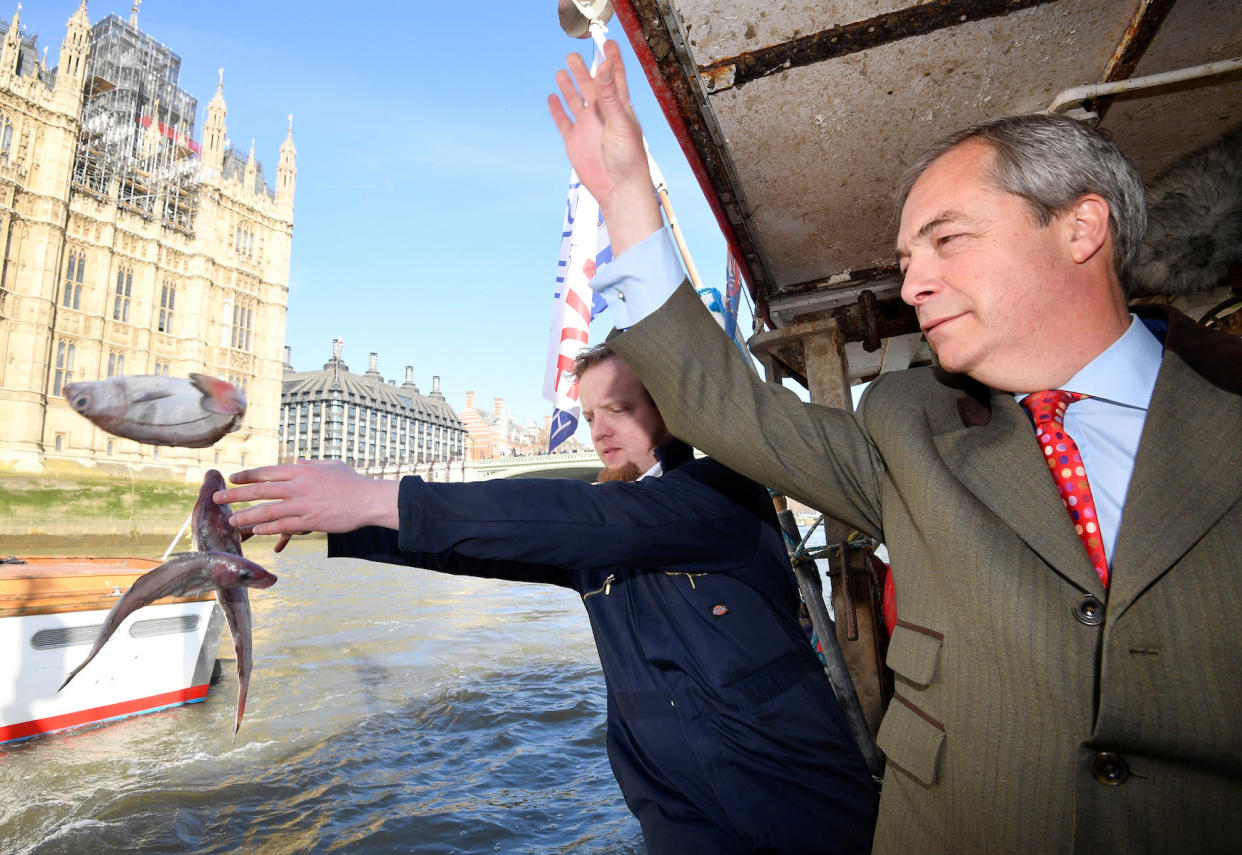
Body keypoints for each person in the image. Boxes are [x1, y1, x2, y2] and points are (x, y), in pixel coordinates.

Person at [548, 40, 1242, 855]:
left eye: (947, 241)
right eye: (908, 259)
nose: (911, 285)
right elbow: (721, 404)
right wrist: (626, 191)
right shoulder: (910, 427)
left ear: (1081, 227)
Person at [216, 344, 879, 854]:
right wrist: (338, 518)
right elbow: (490, 543)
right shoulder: (604, 525)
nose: (601, 430)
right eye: (591, 414)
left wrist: (370, 494)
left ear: (670, 408)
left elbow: (588, 519)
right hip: (682, 815)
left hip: (796, 801)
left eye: (621, 408)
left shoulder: (718, 492)